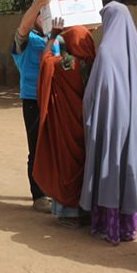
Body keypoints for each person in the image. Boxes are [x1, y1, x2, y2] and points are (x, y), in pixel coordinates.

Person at [80, 1, 137, 245]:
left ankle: (107, 226)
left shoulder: (105, 51)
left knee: (109, 168)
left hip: (111, 122)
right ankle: (128, 227)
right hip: (134, 122)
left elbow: (94, 93)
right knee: (127, 168)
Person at [33, 18, 96, 227]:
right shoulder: (96, 64)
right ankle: (87, 210)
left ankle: (70, 214)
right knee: (86, 165)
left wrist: (53, 36)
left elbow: (46, 60)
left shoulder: (69, 64)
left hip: (68, 123)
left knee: (68, 165)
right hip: (88, 122)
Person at [11, 0, 60, 213]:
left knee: (53, 146)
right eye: (43, 14)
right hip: (33, 99)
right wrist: (38, 3)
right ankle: (38, 195)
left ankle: (52, 189)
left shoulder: (55, 37)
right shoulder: (25, 39)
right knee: (37, 148)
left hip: (54, 98)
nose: (46, 16)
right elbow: (23, 25)